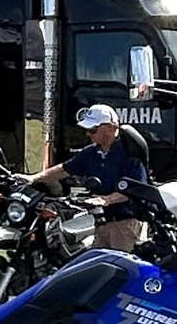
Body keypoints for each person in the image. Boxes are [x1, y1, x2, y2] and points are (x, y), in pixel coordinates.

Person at [21, 103, 149, 251]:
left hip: (126, 225)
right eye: (87, 129)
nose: (88, 134)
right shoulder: (91, 152)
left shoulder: (130, 152)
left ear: (111, 127)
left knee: (122, 264)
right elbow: (64, 169)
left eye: (93, 129)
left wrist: (106, 199)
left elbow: (136, 188)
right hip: (101, 224)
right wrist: (34, 178)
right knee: (96, 263)